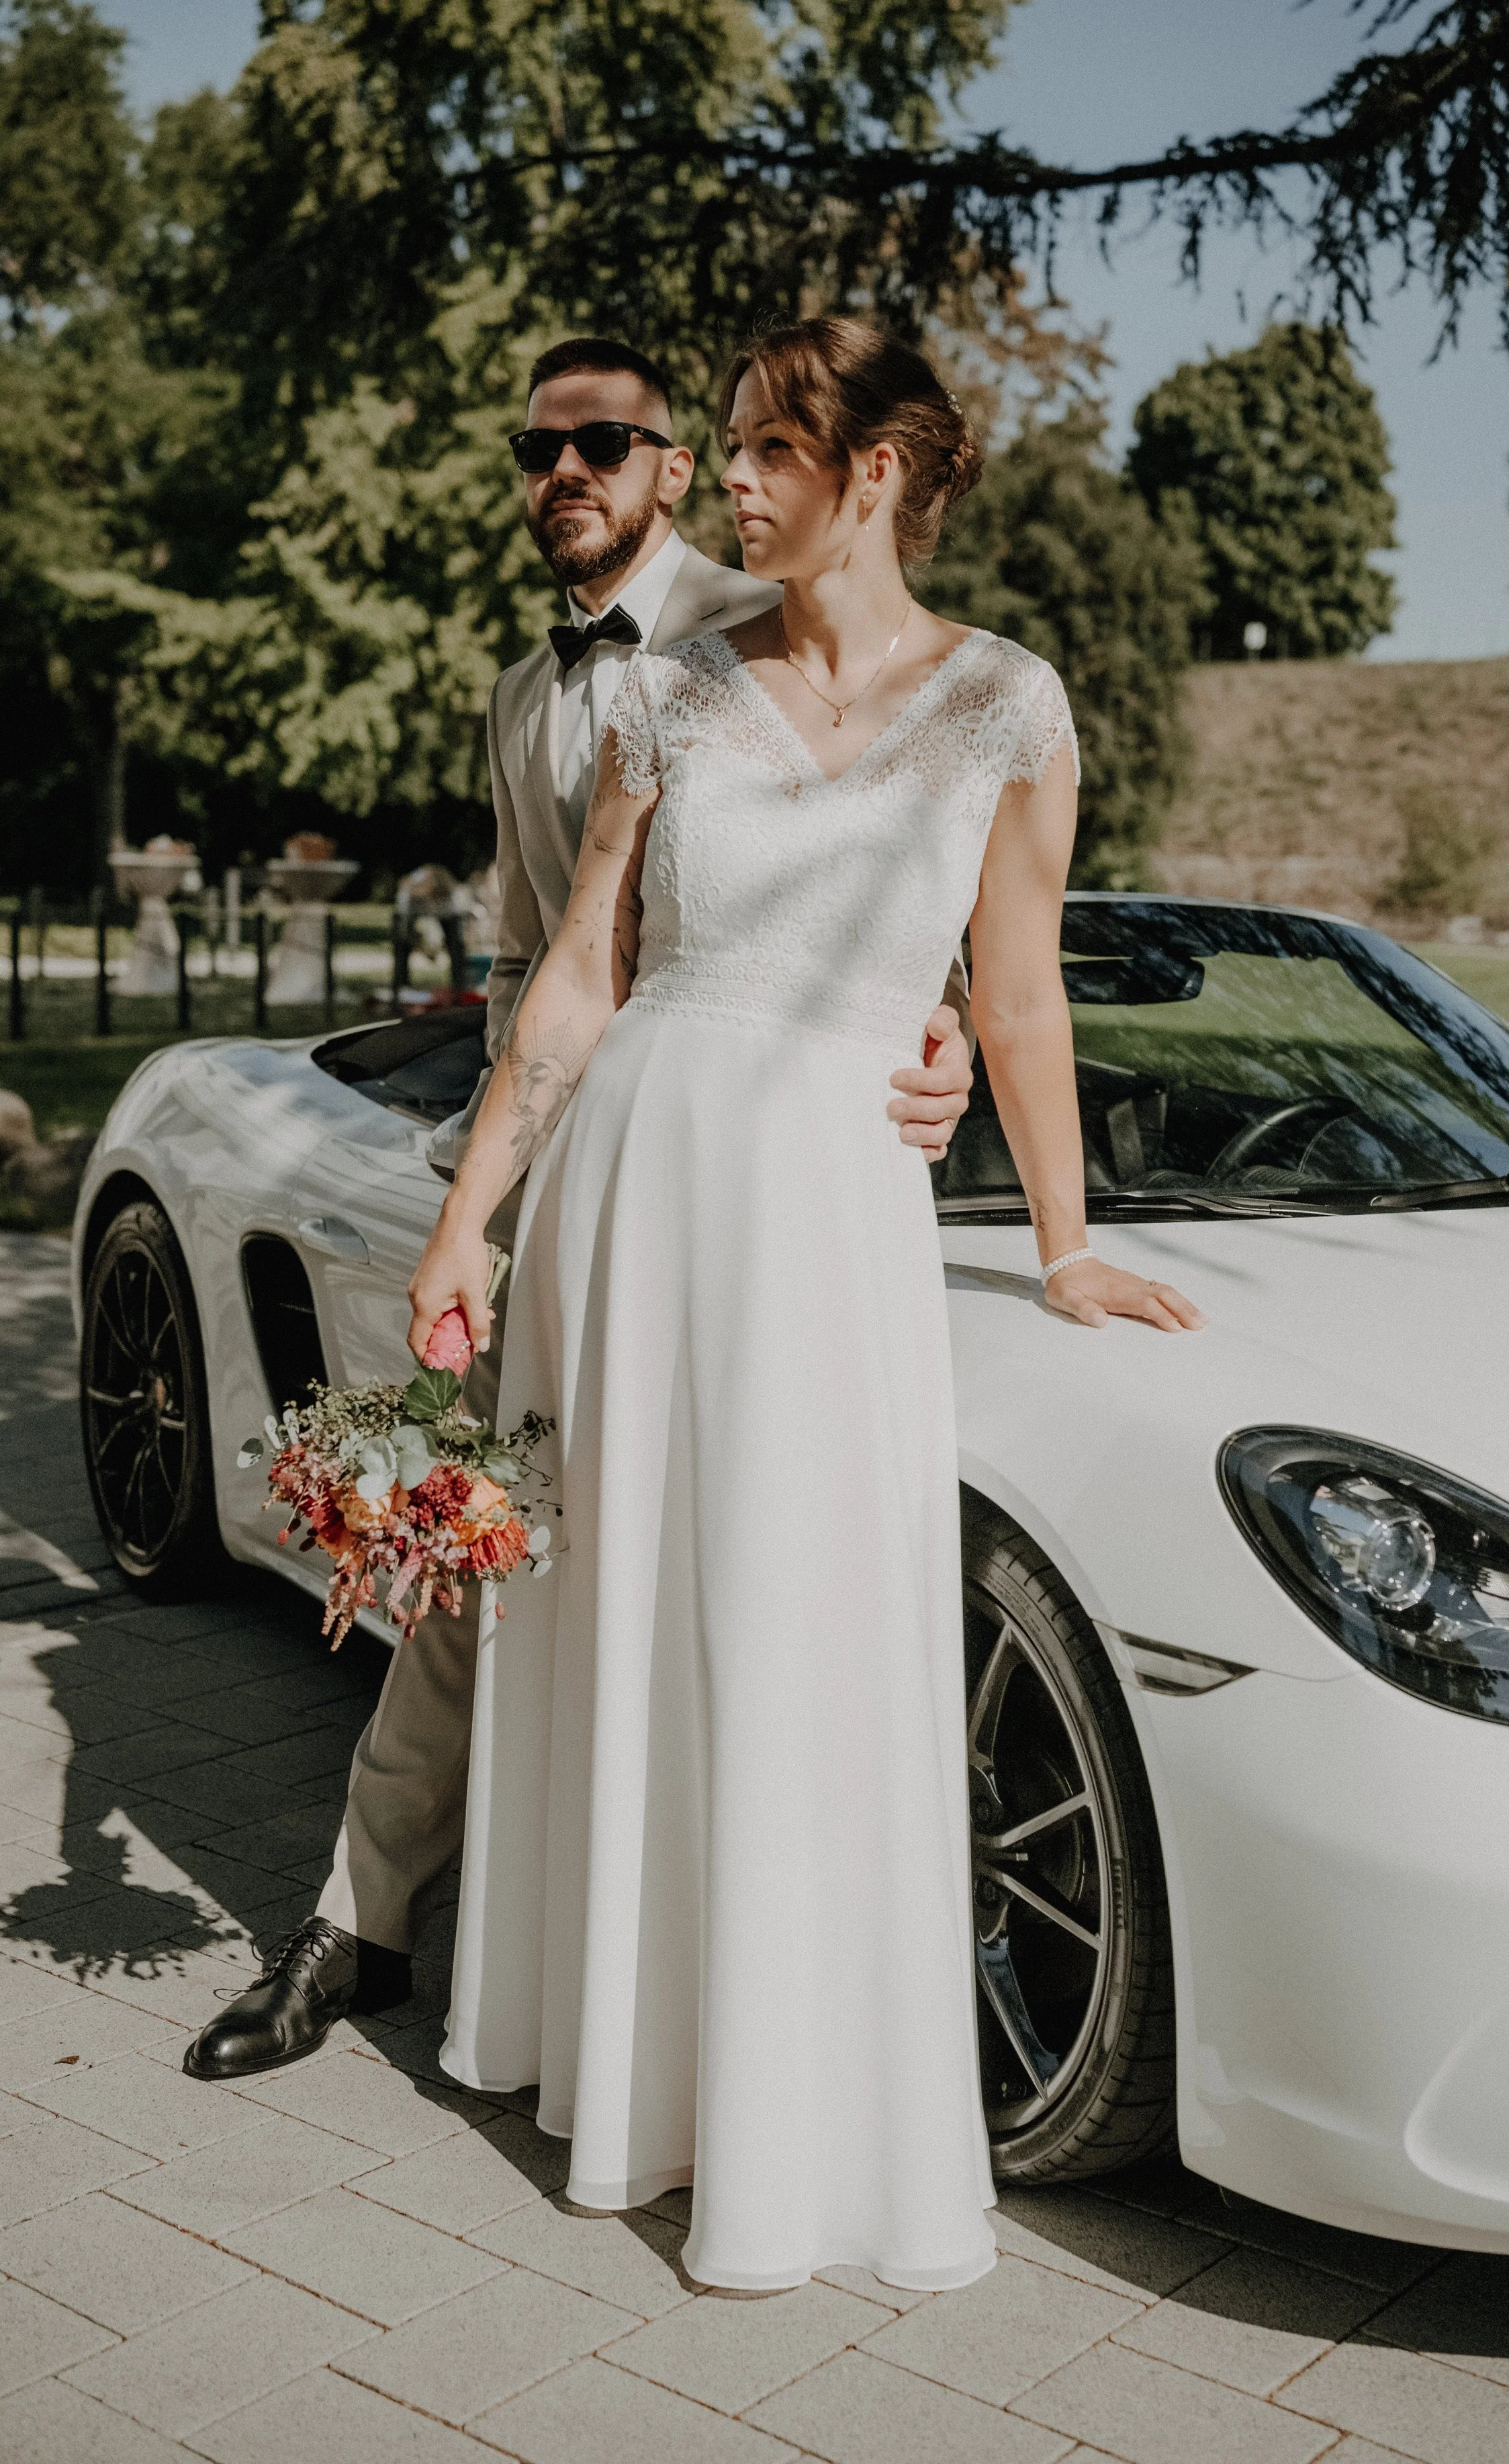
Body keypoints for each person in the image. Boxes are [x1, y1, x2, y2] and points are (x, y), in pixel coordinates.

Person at [408, 316, 1202, 2291]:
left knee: (801, 1633)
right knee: (631, 1621)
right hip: (635, 1198)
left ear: (875, 473)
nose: (727, 481)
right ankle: (633, 2068)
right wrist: (469, 1220)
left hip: (833, 1228)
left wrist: (1061, 1239)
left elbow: (1016, 994)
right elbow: (581, 973)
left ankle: (796, 2103)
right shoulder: (669, 695)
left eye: (767, 448)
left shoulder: (1012, 706)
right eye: (731, 447)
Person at [182, 335, 974, 2081]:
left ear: (679, 465)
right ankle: (369, 1918)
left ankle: (702, 1995)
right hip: (590, 1177)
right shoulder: (523, 691)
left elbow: (932, 850)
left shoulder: (776, 611)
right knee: (479, 1538)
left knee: (705, 1577)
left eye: (606, 442)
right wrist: (472, 1207)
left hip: (772, 1199)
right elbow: (552, 964)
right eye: (539, 448)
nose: (568, 472)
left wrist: (956, 1028)